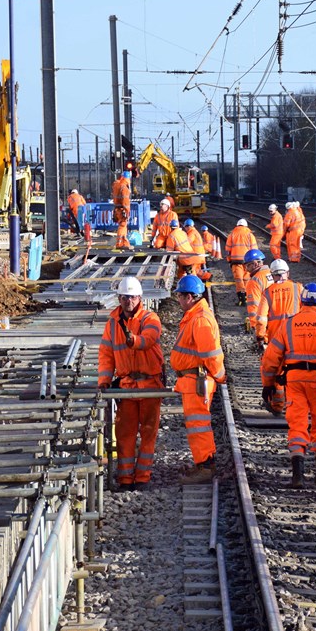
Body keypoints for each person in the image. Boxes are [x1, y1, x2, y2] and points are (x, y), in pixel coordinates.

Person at [262, 283, 316, 486]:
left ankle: (298, 474)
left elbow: (271, 357)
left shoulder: (288, 324)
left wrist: (268, 383)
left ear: (302, 300)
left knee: (297, 423)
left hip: (294, 380)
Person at [98, 276, 164, 490]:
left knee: (148, 432)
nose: (129, 301)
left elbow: (150, 338)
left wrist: (134, 341)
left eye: (133, 297)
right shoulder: (112, 323)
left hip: (150, 386)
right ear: (119, 298)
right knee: (124, 434)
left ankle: (142, 477)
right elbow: (106, 354)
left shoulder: (150, 318)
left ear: (140, 298)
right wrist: (104, 380)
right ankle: (126, 479)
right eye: (125, 297)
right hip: (127, 386)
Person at [170, 275, 226, 485]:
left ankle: (205, 466)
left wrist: (220, 376)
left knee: (198, 425)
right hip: (193, 379)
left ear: (190, 297)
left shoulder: (200, 318)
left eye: (180, 296)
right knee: (198, 424)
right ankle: (205, 462)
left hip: (197, 380)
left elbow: (210, 353)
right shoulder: (195, 315)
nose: (178, 300)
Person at [255, 258, 302, 345]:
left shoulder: (267, 293)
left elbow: (261, 319)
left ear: (272, 276)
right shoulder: (298, 288)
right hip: (296, 334)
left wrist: (260, 336)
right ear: (287, 273)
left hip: (275, 338)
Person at [226, 219, 258, 305]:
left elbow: (228, 250)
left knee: (239, 280)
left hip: (236, 261)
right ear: (246, 226)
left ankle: (242, 300)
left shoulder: (232, 235)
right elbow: (254, 249)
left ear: (237, 225)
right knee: (247, 279)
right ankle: (249, 298)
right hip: (248, 261)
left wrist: (229, 260)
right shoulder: (250, 235)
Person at [243, 249, 271, 333]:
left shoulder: (254, 281)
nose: (246, 270)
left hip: (265, 322)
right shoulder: (272, 273)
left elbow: (254, 306)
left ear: (255, 264)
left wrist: (255, 326)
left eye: (247, 266)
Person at [110, 173, 131, 250]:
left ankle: (123, 243)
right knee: (122, 225)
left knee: (122, 226)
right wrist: (127, 212)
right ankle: (120, 243)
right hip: (122, 209)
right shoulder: (124, 188)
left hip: (117, 209)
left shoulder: (117, 185)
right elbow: (126, 202)